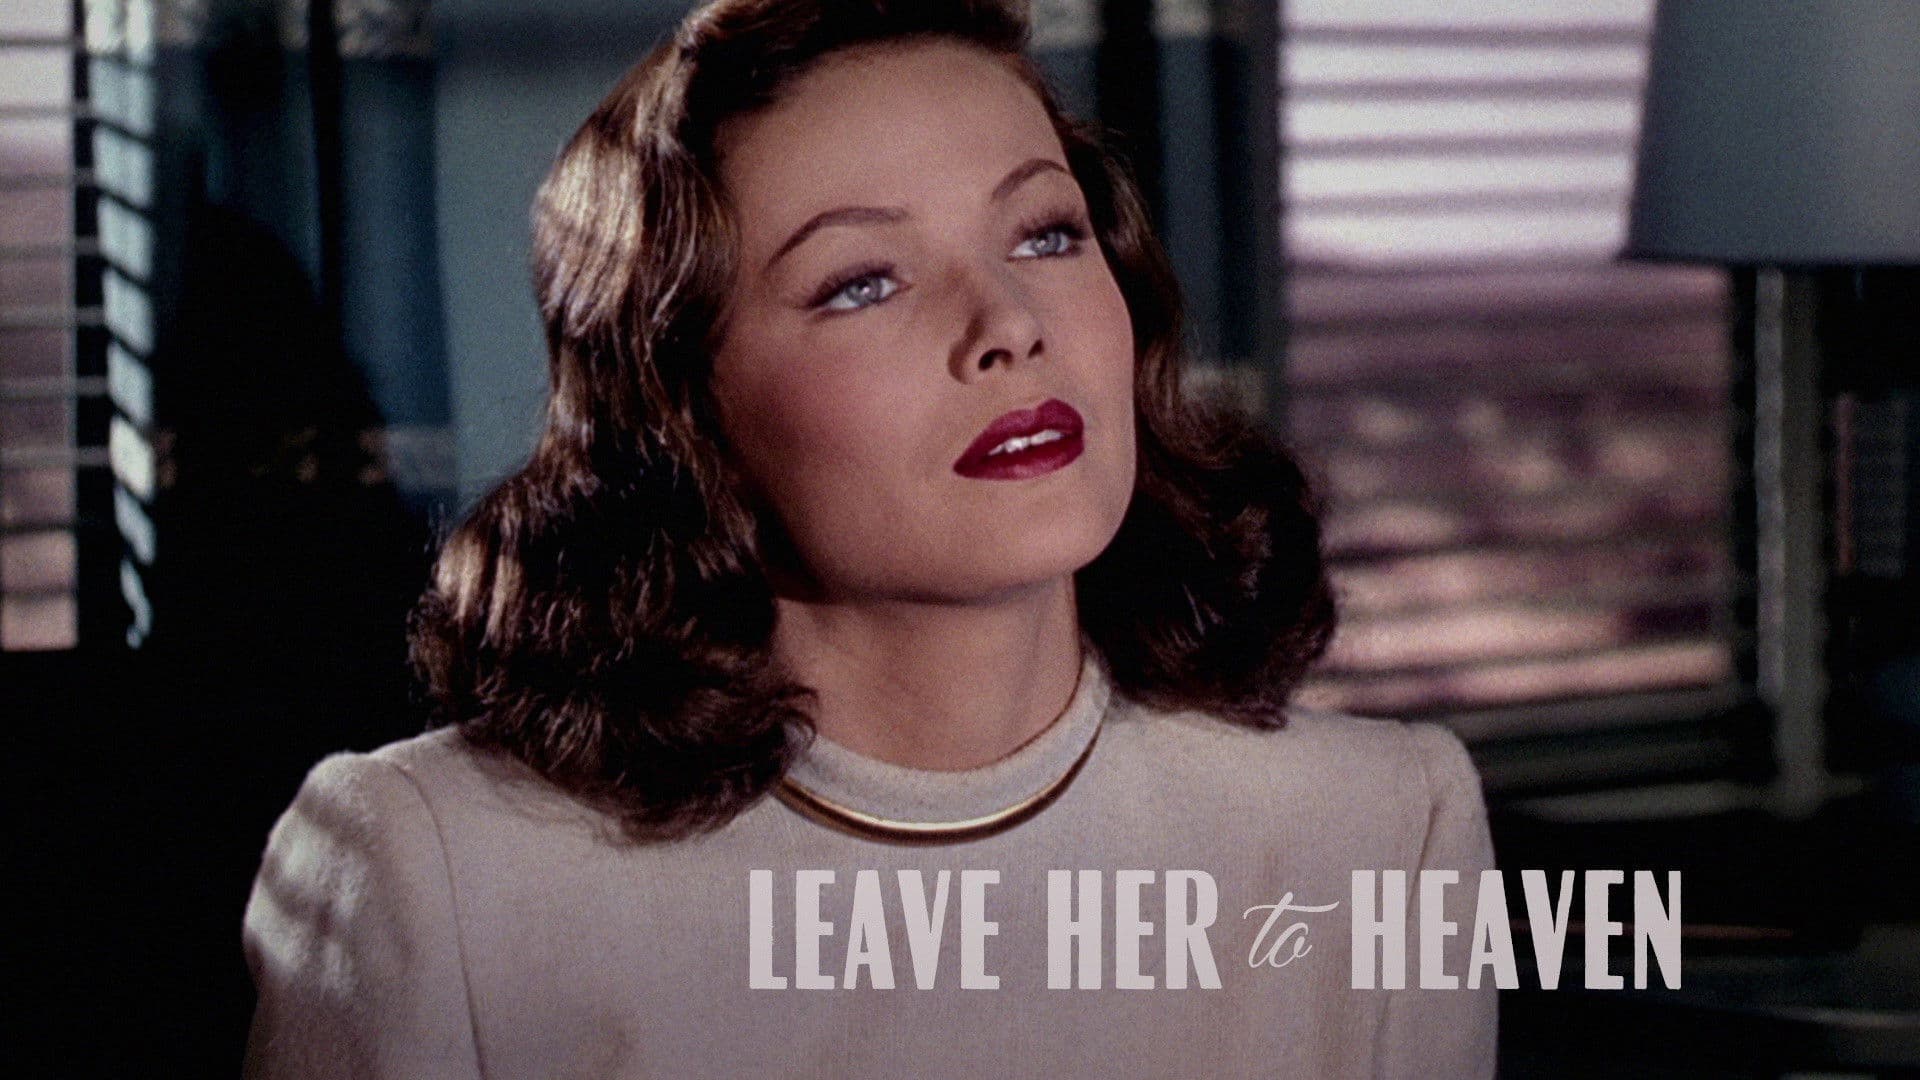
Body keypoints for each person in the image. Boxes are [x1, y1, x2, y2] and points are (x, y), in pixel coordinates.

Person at [241, 0, 1497, 1076]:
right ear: (684, 414)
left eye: (1045, 234)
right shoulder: (440, 877)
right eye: (863, 283)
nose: (1008, 323)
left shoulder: (1380, 831)